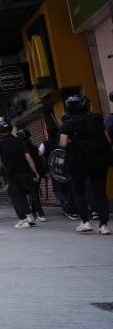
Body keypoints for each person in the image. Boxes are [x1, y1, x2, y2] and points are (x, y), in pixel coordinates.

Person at [59, 95, 111, 235]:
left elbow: (63, 144)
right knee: (100, 192)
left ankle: (85, 222)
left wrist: (73, 141)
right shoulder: (97, 119)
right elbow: (107, 139)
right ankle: (104, 225)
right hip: (99, 160)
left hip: (78, 162)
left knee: (79, 192)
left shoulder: (68, 124)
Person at [0, 119, 39, 229]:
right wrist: (34, 171)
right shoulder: (19, 141)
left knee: (15, 197)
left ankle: (23, 220)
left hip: (9, 174)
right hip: (23, 172)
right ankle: (29, 216)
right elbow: (28, 158)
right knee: (23, 194)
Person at [40, 121, 77, 220]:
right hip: (67, 167)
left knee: (57, 188)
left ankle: (64, 202)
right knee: (68, 186)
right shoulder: (64, 139)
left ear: (47, 133)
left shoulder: (45, 143)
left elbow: (39, 154)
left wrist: (44, 168)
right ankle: (70, 203)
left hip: (54, 169)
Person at [16, 128, 47, 222]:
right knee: (34, 192)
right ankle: (34, 213)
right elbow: (40, 160)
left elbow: (28, 161)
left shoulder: (23, 148)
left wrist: (34, 172)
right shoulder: (33, 147)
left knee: (33, 195)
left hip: (30, 173)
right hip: (39, 172)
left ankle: (41, 214)